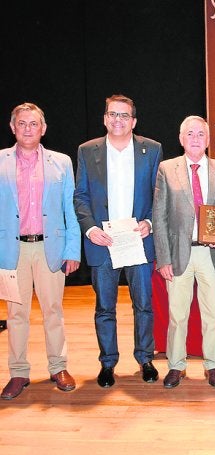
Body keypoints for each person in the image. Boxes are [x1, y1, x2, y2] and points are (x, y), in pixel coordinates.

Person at [74, 94, 163, 388]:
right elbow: (81, 197)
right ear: (104, 118)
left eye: (124, 115)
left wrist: (149, 222)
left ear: (134, 121)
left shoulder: (152, 150)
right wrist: (89, 229)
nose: (118, 120)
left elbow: (157, 195)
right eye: (112, 114)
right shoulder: (88, 151)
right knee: (104, 307)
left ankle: (145, 358)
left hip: (137, 241)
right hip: (104, 241)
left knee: (144, 305)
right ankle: (108, 362)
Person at [0, 102, 81, 400]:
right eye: (22, 123)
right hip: (12, 250)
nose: (27, 129)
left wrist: (72, 249)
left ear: (43, 128)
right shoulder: (1, 161)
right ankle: (18, 372)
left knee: (53, 311)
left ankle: (58, 366)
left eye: (33, 124)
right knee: (16, 313)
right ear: (12, 127)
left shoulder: (61, 163)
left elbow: (69, 210)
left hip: (51, 248)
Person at [153, 115, 215, 389]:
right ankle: (176, 365)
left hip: (212, 254)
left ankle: (213, 364)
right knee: (177, 315)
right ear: (181, 139)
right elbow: (160, 216)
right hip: (178, 254)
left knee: (213, 314)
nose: (196, 139)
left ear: (209, 139)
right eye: (190, 134)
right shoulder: (167, 169)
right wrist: (163, 258)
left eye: (201, 134)